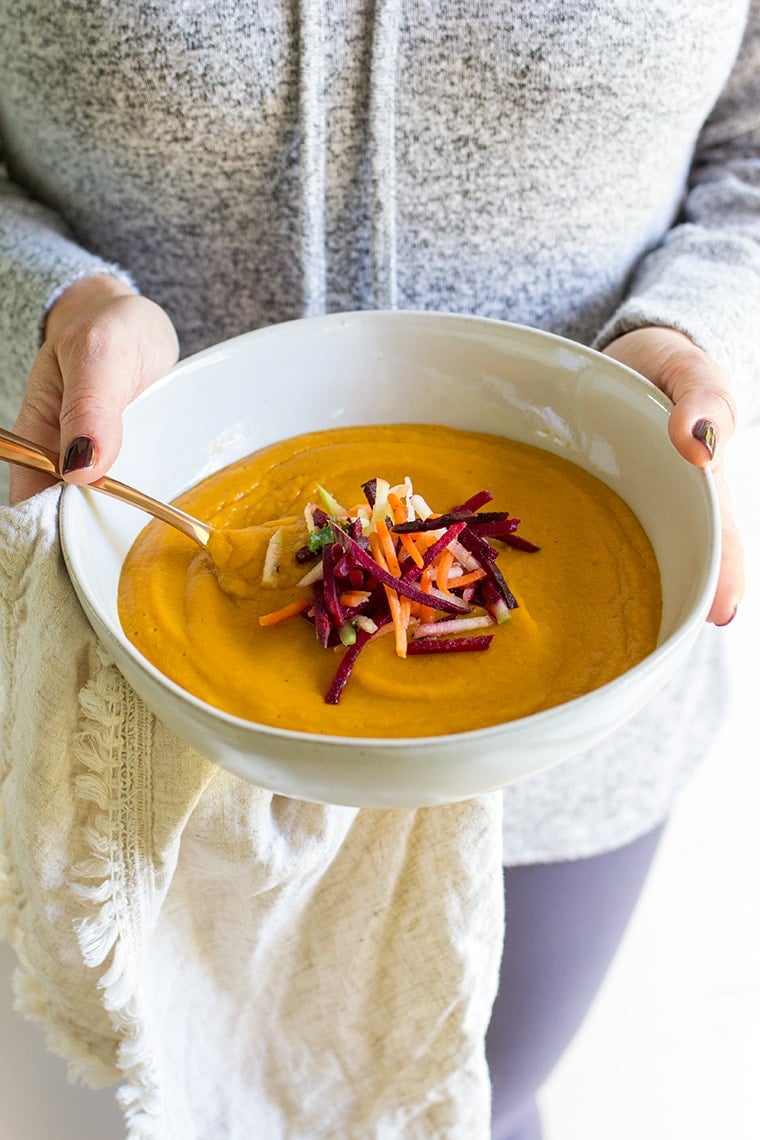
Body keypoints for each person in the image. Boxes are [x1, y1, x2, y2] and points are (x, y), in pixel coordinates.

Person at [1, 4, 758, 1138]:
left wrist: (693, 333)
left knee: (476, 1112)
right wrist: (57, 309)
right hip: (125, 717)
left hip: (568, 757)